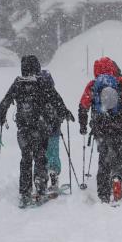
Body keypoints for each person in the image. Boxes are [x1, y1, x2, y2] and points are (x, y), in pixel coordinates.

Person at [0, 55, 73, 208]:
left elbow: (5, 101)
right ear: (37, 67)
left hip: (23, 130)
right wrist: (65, 112)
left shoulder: (17, 83)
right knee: (40, 158)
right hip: (40, 128)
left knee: (25, 159)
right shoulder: (42, 82)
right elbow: (55, 98)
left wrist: (1, 116)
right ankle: (40, 187)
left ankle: (25, 193)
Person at [78, 57, 122, 204]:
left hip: (101, 127)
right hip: (120, 125)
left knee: (104, 157)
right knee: (121, 153)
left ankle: (103, 192)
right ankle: (118, 178)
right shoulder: (120, 82)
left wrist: (83, 125)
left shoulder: (93, 85)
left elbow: (83, 106)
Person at [37, 68, 73, 197]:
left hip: (40, 132)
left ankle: (40, 180)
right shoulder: (53, 93)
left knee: (41, 155)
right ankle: (53, 178)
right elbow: (62, 107)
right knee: (53, 154)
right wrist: (67, 114)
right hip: (54, 130)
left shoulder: (36, 94)